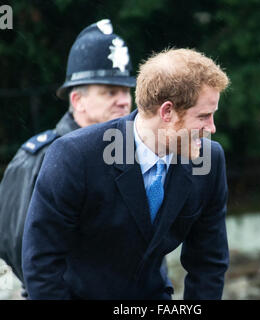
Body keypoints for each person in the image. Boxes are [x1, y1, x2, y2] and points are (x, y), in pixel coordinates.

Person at [22, 48, 230, 300]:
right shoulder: (75, 156)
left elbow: (209, 262)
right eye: (204, 116)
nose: (212, 127)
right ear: (167, 112)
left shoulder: (209, 160)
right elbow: (41, 263)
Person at [0, 19, 135, 286]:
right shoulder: (39, 159)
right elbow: (21, 250)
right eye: (110, 91)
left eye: (126, 91)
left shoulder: (133, 155)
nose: (123, 101)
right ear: (78, 100)